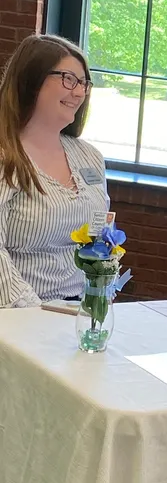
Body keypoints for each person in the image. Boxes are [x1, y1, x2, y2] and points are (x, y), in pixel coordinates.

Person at [0, 34, 109, 308]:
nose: (79, 91)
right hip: (18, 315)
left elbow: (99, 235)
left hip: (76, 313)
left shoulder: (89, 157)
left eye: (84, 82)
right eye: (68, 79)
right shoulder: (6, 158)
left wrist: (96, 300)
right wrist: (34, 312)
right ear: (31, 81)